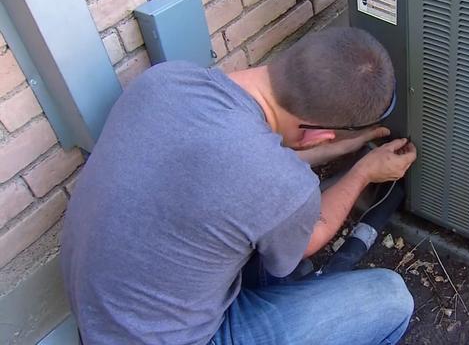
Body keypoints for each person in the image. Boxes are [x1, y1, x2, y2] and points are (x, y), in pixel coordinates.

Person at [60, 27, 417, 345]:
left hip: (99, 320)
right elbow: (310, 235)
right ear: (314, 135)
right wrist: (363, 172)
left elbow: (240, 168)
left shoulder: (166, 79)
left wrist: (332, 148)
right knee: (390, 299)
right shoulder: (281, 183)